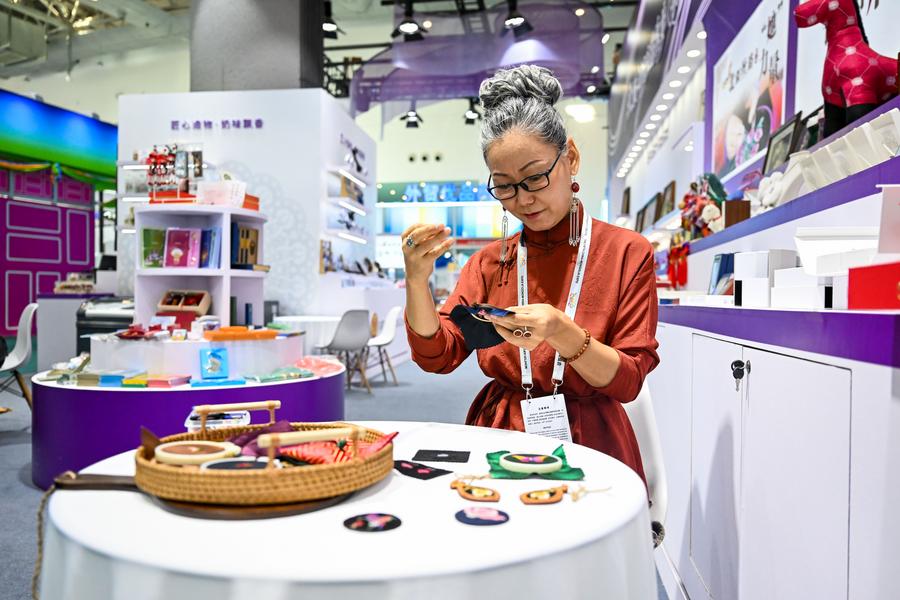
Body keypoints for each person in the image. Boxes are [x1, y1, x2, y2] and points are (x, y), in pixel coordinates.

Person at [401, 65, 659, 481]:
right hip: (501, 434)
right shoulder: (489, 262)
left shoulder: (626, 253)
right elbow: (439, 356)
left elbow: (627, 382)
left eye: (535, 177)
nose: (522, 200)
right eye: (504, 186)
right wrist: (417, 282)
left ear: (570, 158)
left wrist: (561, 331)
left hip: (593, 442)